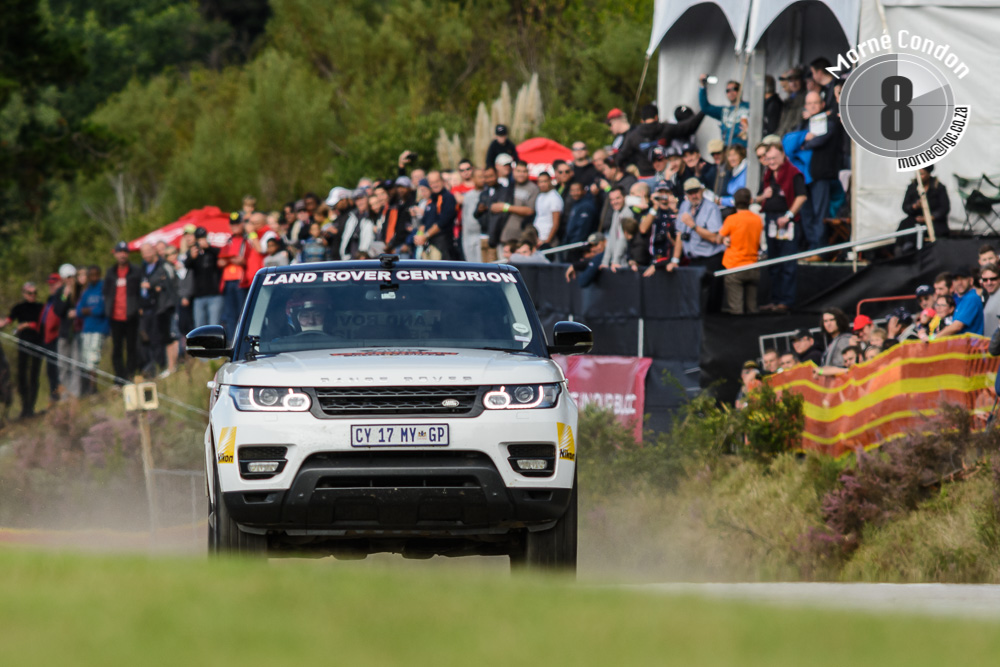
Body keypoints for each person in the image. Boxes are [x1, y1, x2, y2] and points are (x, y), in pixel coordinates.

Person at [757, 143, 808, 312]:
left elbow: (801, 197)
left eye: (773, 158)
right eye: (768, 158)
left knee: (787, 262)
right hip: (771, 220)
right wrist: (764, 196)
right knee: (773, 261)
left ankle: (786, 300)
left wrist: (788, 216)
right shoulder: (768, 175)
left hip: (787, 221)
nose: (770, 162)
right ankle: (775, 298)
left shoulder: (793, 173)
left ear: (782, 156)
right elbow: (757, 198)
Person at [699, 189, 762, 314]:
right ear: (749, 201)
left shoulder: (732, 219)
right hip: (753, 266)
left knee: (736, 309)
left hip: (735, 267)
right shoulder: (757, 219)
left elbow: (718, 239)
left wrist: (725, 239)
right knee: (752, 308)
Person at [800, 91, 842, 252]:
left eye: (815, 103)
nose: (812, 106)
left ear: (823, 104)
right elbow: (792, 138)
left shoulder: (829, 120)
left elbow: (820, 139)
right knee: (807, 213)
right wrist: (803, 137)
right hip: (805, 176)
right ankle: (812, 248)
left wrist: (804, 142)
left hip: (822, 174)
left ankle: (820, 250)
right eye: (809, 103)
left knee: (820, 214)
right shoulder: (804, 122)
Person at [677, 178, 726, 310]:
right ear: (686, 194)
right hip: (693, 260)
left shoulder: (711, 208)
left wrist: (693, 226)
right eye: (690, 192)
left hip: (711, 259)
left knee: (712, 300)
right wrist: (675, 259)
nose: (694, 195)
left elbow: (715, 237)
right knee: (694, 300)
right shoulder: (684, 206)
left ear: (702, 191)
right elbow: (679, 234)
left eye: (696, 192)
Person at [1, 282, 44, 418]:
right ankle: (24, 407)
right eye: (30, 293)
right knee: (22, 376)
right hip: (23, 345)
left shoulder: (40, 307)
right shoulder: (19, 307)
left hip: (37, 344)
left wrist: (27, 325)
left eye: (34, 293)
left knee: (34, 376)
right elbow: (8, 320)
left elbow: (43, 323)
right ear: (24, 294)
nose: (32, 296)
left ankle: (31, 406)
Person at [104, 242, 142, 382]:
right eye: (120, 252)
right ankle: (119, 377)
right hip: (115, 316)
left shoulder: (135, 271)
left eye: (125, 252)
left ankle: (131, 374)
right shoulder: (110, 272)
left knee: (132, 347)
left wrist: (138, 308)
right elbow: (106, 292)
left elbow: (140, 292)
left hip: (131, 315)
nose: (122, 254)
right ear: (115, 254)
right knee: (117, 349)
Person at [896, 165, 951, 250]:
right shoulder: (912, 187)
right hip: (916, 219)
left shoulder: (938, 187)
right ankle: (904, 248)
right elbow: (905, 207)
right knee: (905, 225)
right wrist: (915, 206)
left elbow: (944, 208)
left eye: (922, 174)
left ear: (928, 174)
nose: (920, 177)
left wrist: (930, 217)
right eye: (918, 174)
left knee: (934, 230)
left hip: (934, 221)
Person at [76, 266, 108, 395]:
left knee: (94, 357)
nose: (93, 277)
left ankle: (93, 387)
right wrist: (87, 311)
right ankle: (88, 387)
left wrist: (88, 310)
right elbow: (79, 310)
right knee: (85, 358)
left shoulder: (103, 288)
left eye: (96, 275)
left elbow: (101, 310)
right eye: (91, 275)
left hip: (99, 328)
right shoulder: (87, 291)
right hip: (87, 328)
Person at [218, 213, 250, 340]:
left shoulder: (245, 241)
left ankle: (242, 340)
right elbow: (220, 261)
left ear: (242, 224)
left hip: (240, 281)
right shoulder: (228, 241)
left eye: (237, 223)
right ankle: (233, 342)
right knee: (230, 315)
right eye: (233, 224)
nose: (235, 226)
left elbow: (243, 260)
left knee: (242, 314)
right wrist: (232, 259)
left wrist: (229, 260)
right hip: (227, 281)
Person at [50, 263, 81, 398]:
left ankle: (75, 394)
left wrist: (76, 311)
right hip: (64, 333)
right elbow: (59, 310)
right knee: (63, 365)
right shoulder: (60, 292)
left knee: (76, 365)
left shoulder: (79, 290)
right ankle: (65, 396)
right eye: (67, 277)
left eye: (71, 277)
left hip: (77, 332)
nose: (69, 280)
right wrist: (64, 296)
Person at [416, 171, 459, 260]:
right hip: (428, 244)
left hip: (443, 244)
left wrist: (425, 236)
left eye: (437, 182)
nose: (435, 185)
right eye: (432, 183)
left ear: (442, 181)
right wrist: (419, 236)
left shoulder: (448, 197)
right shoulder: (431, 200)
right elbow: (424, 222)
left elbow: (442, 222)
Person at [492, 162, 538, 247]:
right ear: (513, 172)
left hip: (520, 237)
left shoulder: (533, 188)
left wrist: (506, 207)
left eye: (524, 171)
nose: (521, 174)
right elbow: (494, 206)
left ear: (528, 172)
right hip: (503, 234)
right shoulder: (510, 186)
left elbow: (529, 211)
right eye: (518, 171)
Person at [185, 227, 223, 329]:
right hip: (199, 296)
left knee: (214, 325)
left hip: (214, 294)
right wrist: (192, 257)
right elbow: (186, 265)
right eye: (199, 239)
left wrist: (208, 248)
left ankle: (215, 345)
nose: (201, 241)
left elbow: (220, 255)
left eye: (203, 238)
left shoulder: (213, 251)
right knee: (199, 326)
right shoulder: (194, 253)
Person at [641, 186, 682, 276]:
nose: (664, 196)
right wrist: (655, 206)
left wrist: (674, 209)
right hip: (653, 258)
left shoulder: (676, 212)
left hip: (669, 260)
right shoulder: (653, 211)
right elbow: (643, 229)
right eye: (661, 193)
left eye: (666, 193)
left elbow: (679, 239)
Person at [698, 75, 749, 146]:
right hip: (728, 150)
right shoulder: (724, 110)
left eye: (734, 89)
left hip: (744, 147)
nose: (731, 92)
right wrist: (702, 86)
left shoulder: (749, 106)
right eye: (728, 90)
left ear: (740, 91)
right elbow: (705, 108)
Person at [936, 266, 984, 336]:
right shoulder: (962, 299)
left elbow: (957, 326)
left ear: (971, 281)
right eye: (956, 280)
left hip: (972, 346)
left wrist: (935, 338)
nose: (959, 283)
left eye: (963, 279)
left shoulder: (971, 298)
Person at [599, 188, 634, 272]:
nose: (614, 202)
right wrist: (605, 262)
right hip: (615, 263)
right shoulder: (616, 213)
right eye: (612, 199)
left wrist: (616, 261)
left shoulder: (628, 213)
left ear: (624, 197)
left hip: (623, 264)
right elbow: (611, 238)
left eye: (617, 198)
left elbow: (623, 239)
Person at [533, 171, 563, 249]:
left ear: (550, 181)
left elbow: (556, 223)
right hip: (537, 237)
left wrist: (547, 242)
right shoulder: (540, 196)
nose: (542, 184)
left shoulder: (554, 198)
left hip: (547, 238)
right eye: (540, 182)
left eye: (545, 181)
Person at [460, 168, 485, 262]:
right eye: (479, 177)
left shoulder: (488, 194)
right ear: (473, 179)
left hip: (482, 236)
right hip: (469, 237)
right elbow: (465, 218)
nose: (482, 179)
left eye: (483, 177)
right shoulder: (468, 196)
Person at [777, 67, 806, 136]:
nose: (793, 83)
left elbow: (796, 123)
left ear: (802, 80)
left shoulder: (805, 98)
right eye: (790, 80)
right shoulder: (789, 99)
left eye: (796, 79)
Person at [981, 263, 1000, 338]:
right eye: (985, 280)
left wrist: (994, 346)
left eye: (993, 279)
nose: (989, 283)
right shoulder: (991, 296)